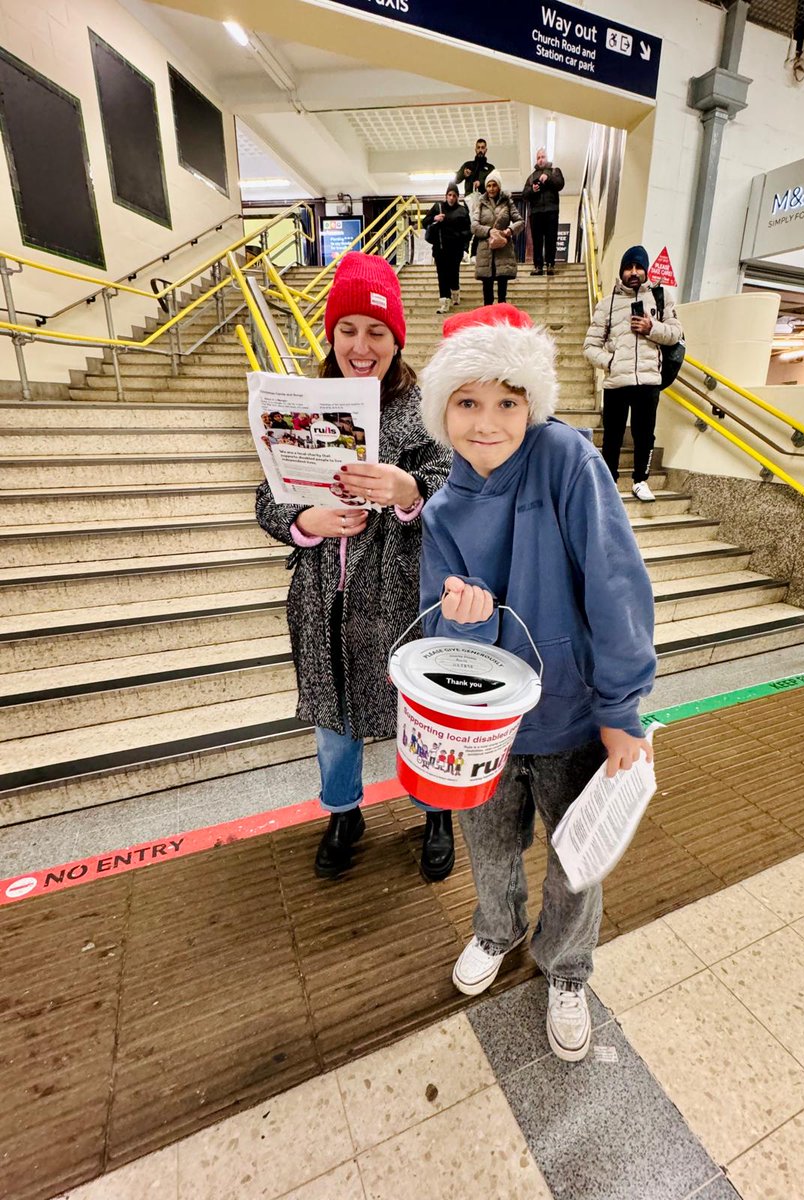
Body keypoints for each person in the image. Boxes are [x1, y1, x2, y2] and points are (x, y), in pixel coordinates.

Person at [418, 303, 656, 1061]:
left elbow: (615, 584)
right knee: (488, 850)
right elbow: (434, 637)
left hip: (574, 719)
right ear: (443, 409)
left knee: (575, 859)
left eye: (507, 402)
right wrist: (463, 625)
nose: (486, 423)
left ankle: (566, 967)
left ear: (532, 403)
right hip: (481, 734)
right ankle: (496, 931)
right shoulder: (444, 508)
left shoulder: (566, 461)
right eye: (467, 402)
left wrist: (620, 707)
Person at [255, 252, 454, 882]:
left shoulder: (427, 410)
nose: (361, 346)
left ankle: (435, 810)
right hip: (322, 600)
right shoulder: (299, 404)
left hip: (397, 599)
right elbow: (267, 498)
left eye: (377, 333)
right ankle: (343, 811)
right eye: (348, 330)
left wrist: (406, 491)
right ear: (330, 333)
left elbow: (454, 492)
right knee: (332, 715)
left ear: (397, 340)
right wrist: (304, 522)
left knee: (416, 710)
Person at [582, 245, 684, 502]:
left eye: (639, 267)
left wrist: (652, 328)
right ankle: (609, 481)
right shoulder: (608, 304)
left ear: (646, 270)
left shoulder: (661, 298)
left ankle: (641, 480)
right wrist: (611, 361)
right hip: (617, 381)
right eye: (629, 267)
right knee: (613, 434)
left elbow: (675, 335)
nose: (634, 272)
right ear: (622, 271)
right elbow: (589, 347)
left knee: (644, 433)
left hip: (649, 379)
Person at [471, 171, 524, 307]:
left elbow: (520, 222)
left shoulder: (508, 202)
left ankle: (501, 323)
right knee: (487, 299)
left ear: (499, 187)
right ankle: (488, 324)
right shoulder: (480, 204)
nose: (491, 188)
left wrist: (510, 230)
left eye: (494, 185)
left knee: (502, 298)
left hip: (503, 251)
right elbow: (474, 226)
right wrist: (489, 231)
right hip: (485, 251)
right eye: (489, 185)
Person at [423, 183, 471, 314]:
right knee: (442, 275)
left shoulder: (462, 210)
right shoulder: (438, 207)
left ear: (457, 197)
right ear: (446, 196)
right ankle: (444, 301)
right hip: (440, 248)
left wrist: (462, 242)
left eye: (454, 195)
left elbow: (469, 230)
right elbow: (424, 222)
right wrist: (434, 218)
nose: (451, 198)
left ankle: (455, 291)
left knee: (453, 273)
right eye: (449, 195)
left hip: (456, 249)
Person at [522, 148, 564, 276]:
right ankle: (538, 266)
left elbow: (560, 184)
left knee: (551, 238)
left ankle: (550, 264)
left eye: (543, 157)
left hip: (552, 210)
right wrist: (533, 190)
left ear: (547, 158)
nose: (541, 160)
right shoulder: (531, 177)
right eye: (538, 157)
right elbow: (524, 194)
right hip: (536, 213)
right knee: (537, 240)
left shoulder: (555, 171)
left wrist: (548, 178)